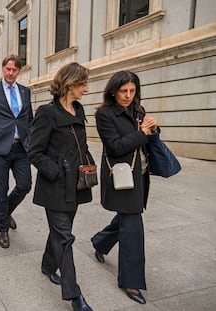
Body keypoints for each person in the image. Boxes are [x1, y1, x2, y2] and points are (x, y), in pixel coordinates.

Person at [28, 62, 95, 311]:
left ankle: (47, 265)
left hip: (77, 185)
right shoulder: (47, 112)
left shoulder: (78, 110)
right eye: (82, 84)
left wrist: (88, 162)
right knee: (65, 238)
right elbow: (34, 152)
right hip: (55, 185)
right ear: (69, 84)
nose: (86, 89)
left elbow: (81, 146)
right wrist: (56, 172)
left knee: (59, 233)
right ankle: (74, 295)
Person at [90, 71, 158, 305]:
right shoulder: (104, 115)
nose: (128, 96)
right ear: (113, 91)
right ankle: (131, 281)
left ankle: (100, 242)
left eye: (132, 91)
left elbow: (148, 139)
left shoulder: (138, 110)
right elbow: (116, 146)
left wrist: (153, 128)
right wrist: (142, 133)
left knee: (126, 218)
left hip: (139, 175)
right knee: (133, 226)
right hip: (120, 177)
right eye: (123, 91)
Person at [0, 54, 33, 248]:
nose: (11, 73)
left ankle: (5, 211)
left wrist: (32, 142)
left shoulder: (26, 92)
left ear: (19, 71)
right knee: (0, 191)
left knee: (25, 185)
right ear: (2, 69)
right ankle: (3, 229)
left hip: (21, 148)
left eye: (15, 70)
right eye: (8, 69)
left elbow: (29, 119)